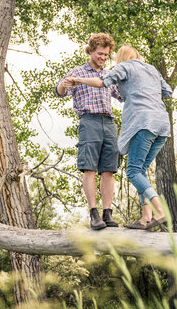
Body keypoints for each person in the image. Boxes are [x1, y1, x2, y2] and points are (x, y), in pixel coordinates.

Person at [67, 44, 173, 230]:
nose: (106, 58)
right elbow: (168, 92)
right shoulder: (152, 70)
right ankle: (145, 217)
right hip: (162, 125)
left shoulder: (123, 67)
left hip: (143, 123)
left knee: (133, 171)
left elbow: (102, 83)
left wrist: (79, 80)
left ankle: (160, 211)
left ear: (120, 59)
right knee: (141, 170)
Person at [55, 33, 123, 230]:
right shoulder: (78, 72)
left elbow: (123, 96)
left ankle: (107, 213)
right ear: (91, 50)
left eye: (106, 55)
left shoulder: (109, 75)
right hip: (89, 120)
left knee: (109, 169)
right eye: (100, 53)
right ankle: (93, 214)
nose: (102, 57)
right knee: (90, 168)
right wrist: (63, 83)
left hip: (109, 122)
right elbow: (60, 91)